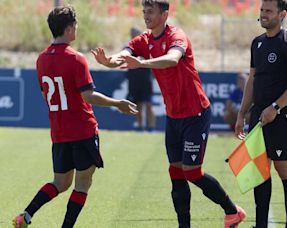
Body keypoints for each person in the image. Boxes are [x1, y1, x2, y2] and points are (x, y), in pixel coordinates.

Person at [91, 1, 246, 227]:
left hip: (196, 114)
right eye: (144, 11)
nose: (146, 16)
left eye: (150, 11)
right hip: (174, 117)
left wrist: (142, 63)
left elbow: (172, 59)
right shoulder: (144, 40)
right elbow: (124, 54)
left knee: (192, 172)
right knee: (175, 171)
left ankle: (232, 211)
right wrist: (109, 61)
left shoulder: (177, 36)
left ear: (165, 14)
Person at [12, 6, 137, 228]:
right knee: (82, 184)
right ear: (69, 29)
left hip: (59, 132)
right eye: (75, 25)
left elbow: (45, 95)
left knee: (60, 182)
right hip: (82, 130)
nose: (76, 29)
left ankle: (26, 215)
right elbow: (88, 96)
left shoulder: (41, 60)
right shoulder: (76, 58)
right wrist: (117, 103)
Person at [235, 0, 287, 227]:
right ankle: (261, 224)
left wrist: (275, 108)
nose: (263, 14)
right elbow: (252, 81)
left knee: (284, 169)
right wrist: (242, 114)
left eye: (269, 11)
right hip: (258, 116)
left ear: (282, 14)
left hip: (281, 118)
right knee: (259, 170)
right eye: (262, 10)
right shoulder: (257, 43)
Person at [126, 27, 156, 132]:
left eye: (135, 33)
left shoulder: (147, 46)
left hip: (146, 80)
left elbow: (153, 60)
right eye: (132, 34)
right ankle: (140, 126)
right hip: (134, 80)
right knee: (137, 104)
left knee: (148, 104)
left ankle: (151, 127)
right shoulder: (128, 48)